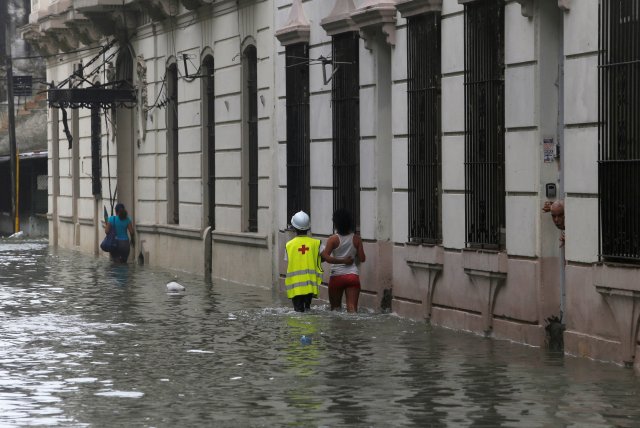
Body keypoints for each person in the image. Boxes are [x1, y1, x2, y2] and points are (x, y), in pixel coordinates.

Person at [285, 211, 352, 312]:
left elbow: (290, 261)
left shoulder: (289, 245)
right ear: (308, 227)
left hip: (295, 286)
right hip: (310, 286)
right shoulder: (316, 243)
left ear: (294, 227)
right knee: (307, 309)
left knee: (298, 312)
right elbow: (325, 257)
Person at [322, 209, 366, 313]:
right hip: (352, 276)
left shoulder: (333, 239)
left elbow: (326, 258)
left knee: (335, 310)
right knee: (352, 310)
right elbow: (362, 258)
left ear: (335, 223)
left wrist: (341, 261)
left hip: (337, 276)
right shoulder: (357, 239)